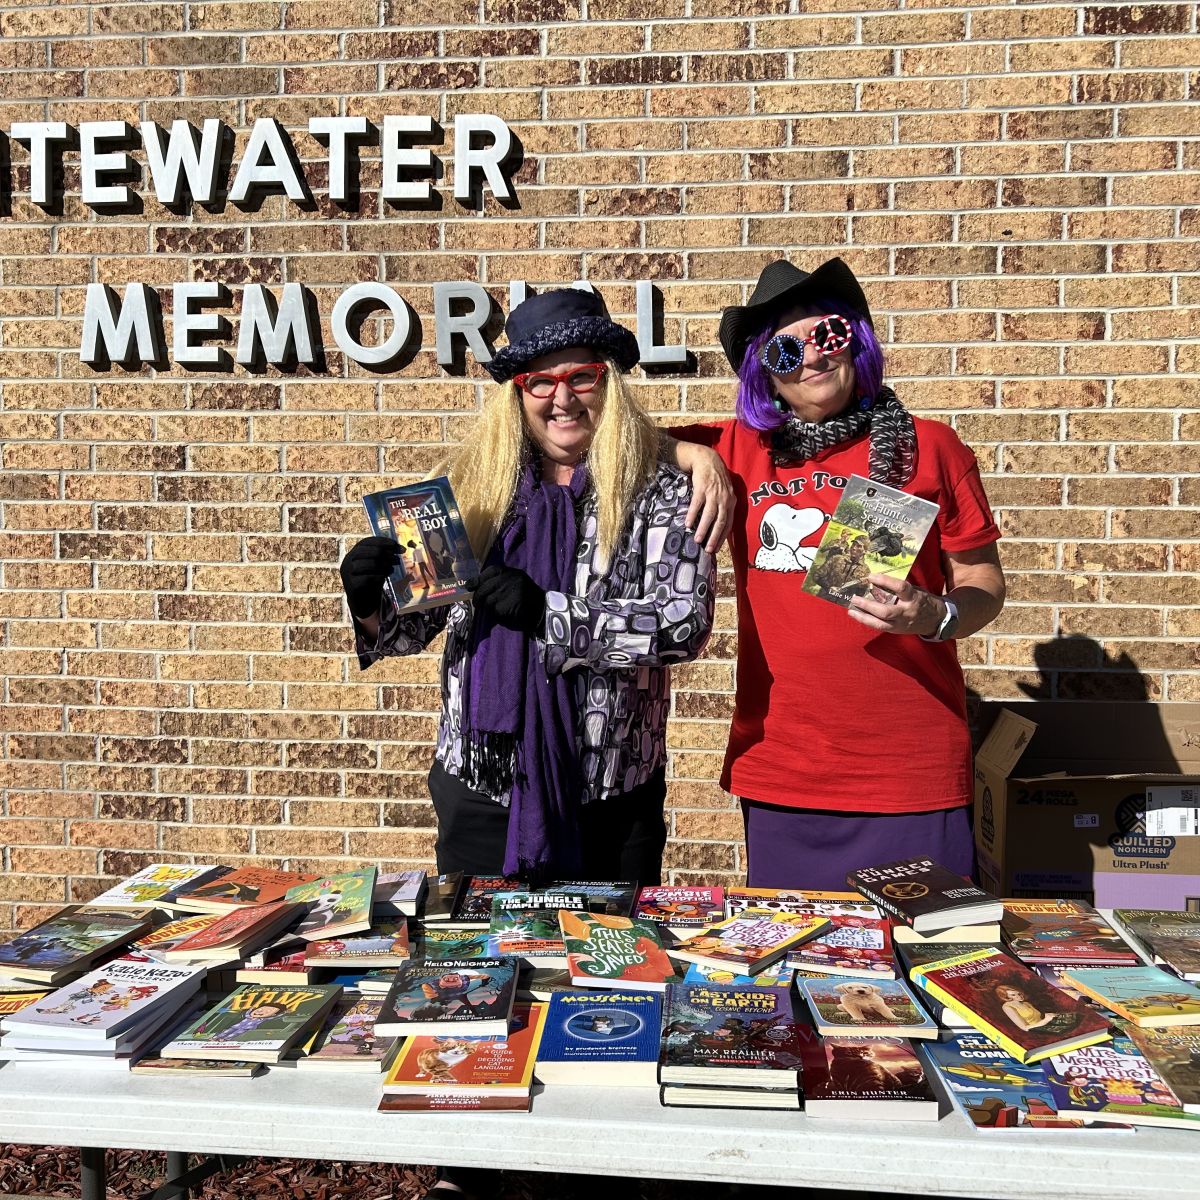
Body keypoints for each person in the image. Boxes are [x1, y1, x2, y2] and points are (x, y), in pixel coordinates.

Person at [340, 287, 715, 1200]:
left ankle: (597, 1169)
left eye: (580, 378)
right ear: (514, 393)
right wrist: (373, 594)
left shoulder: (663, 487)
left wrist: (545, 611)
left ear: (610, 383)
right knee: (471, 980)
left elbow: (679, 625)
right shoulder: (470, 488)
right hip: (481, 779)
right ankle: (468, 1171)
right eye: (539, 382)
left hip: (607, 789)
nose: (561, 398)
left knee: (604, 984)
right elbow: (408, 634)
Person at [670, 256, 1005, 890]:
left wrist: (937, 614)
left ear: (857, 339)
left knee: (926, 969)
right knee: (794, 975)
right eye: (783, 352)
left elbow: (984, 583)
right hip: (784, 768)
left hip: (911, 772)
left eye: (827, 336)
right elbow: (612, 440)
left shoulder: (928, 446)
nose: (813, 359)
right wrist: (695, 455)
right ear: (762, 377)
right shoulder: (738, 448)